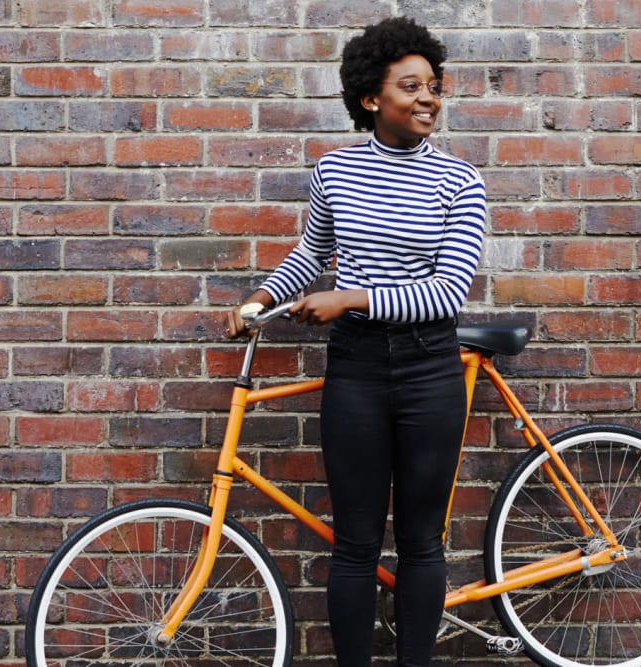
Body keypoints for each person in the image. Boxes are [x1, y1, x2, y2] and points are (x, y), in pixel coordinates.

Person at [224, 16, 486, 667]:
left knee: (423, 540)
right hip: (357, 371)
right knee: (355, 543)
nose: (429, 97)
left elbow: (448, 292)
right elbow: (311, 253)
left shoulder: (461, 183)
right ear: (372, 99)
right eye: (411, 86)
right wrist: (259, 298)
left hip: (429, 369)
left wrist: (353, 297)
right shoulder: (334, 172)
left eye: (433, 85)